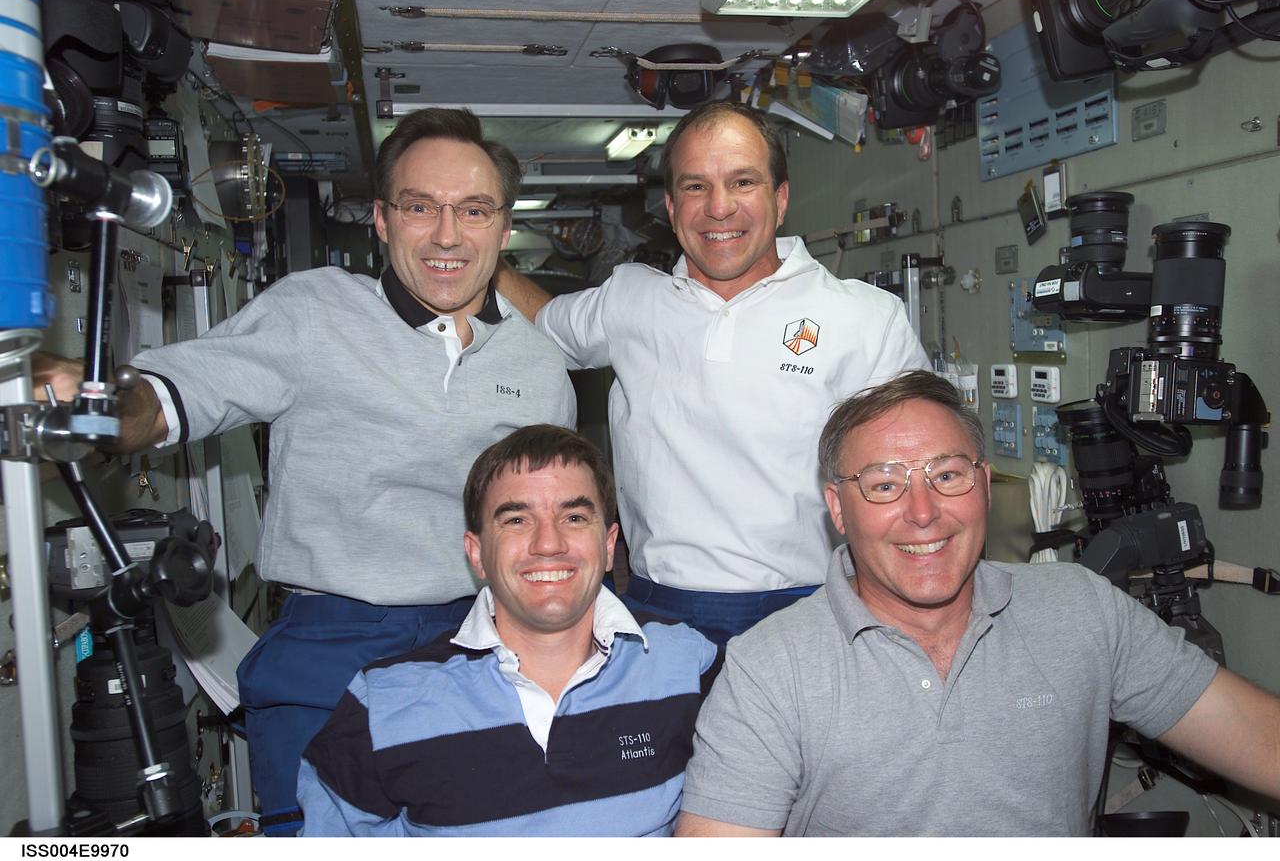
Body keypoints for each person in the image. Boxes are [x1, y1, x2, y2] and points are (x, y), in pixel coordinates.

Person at [35, 108, 576, 835]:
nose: (447, 235)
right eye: (420, 206)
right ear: (382, 219)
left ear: (504, 229)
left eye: (473, 210)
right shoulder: (314, 313)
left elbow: (555, 528)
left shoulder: (539, 367)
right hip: (331, 645)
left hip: (482, 642)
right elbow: (181, 390)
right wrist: (106, 403)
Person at [676, 370, 1280, 836]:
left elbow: (1258, 738)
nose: (922, 512)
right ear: (838, 508)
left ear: (985, 487)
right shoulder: (770, 669)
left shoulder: (1083, 611)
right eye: (884, 484)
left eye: (947, 476)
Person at [498, 100, 929, 643]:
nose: (719, 208)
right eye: (696, 187)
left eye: (742, 182)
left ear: (780, 199)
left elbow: (922, 472)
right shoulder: (630, 298)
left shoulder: (865, 317)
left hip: (811, 613)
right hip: (661, 615)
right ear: (672, 207)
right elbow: (542, 326)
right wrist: (481, 253)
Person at [296, 425, 718, 836]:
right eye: (516, 520)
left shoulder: (688, 665)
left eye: (573, 517)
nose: (548, 543)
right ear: (477, 553)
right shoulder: (383, 703)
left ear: (608, 546)